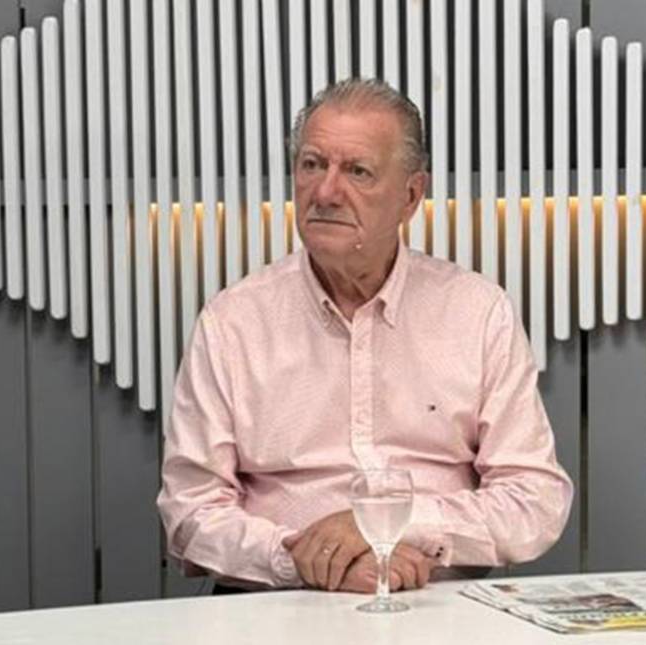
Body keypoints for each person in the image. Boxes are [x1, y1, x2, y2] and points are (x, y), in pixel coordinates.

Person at [156, 78, 573, 594]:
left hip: (437, 603)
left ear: (411, 196)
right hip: (276, 603)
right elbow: (190, 510)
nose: (326, 192)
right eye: (312, 165)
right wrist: (305, 559)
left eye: (357, 171)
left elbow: (534, 500)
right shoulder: (233, 321)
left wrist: (392, 525)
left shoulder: (477, 311)